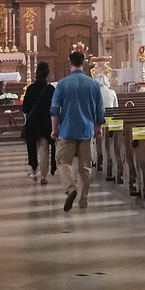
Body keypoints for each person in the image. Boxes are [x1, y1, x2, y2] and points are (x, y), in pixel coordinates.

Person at [50, 50, 105, 212]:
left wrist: (54, 130)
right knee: (85, 167)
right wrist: (98, 127)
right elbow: (100, 110)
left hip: (67, 130)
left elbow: (54, 109)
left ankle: (70, 188)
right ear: (84, 64)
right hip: (87, 130)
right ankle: (83, 199)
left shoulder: (62, 84)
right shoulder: (94, 84)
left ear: (70, 64)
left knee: (63, 162)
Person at [21, 62, 56, 184]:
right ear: (47, 75)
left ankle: (33, 171)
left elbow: (25, 108)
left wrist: (26, 120)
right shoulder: (51, 89)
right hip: (46, 122)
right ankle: (44, 175)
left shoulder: (30, 88)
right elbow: (55, 107)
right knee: (45, 148)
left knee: (32, 147)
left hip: (33, 122)